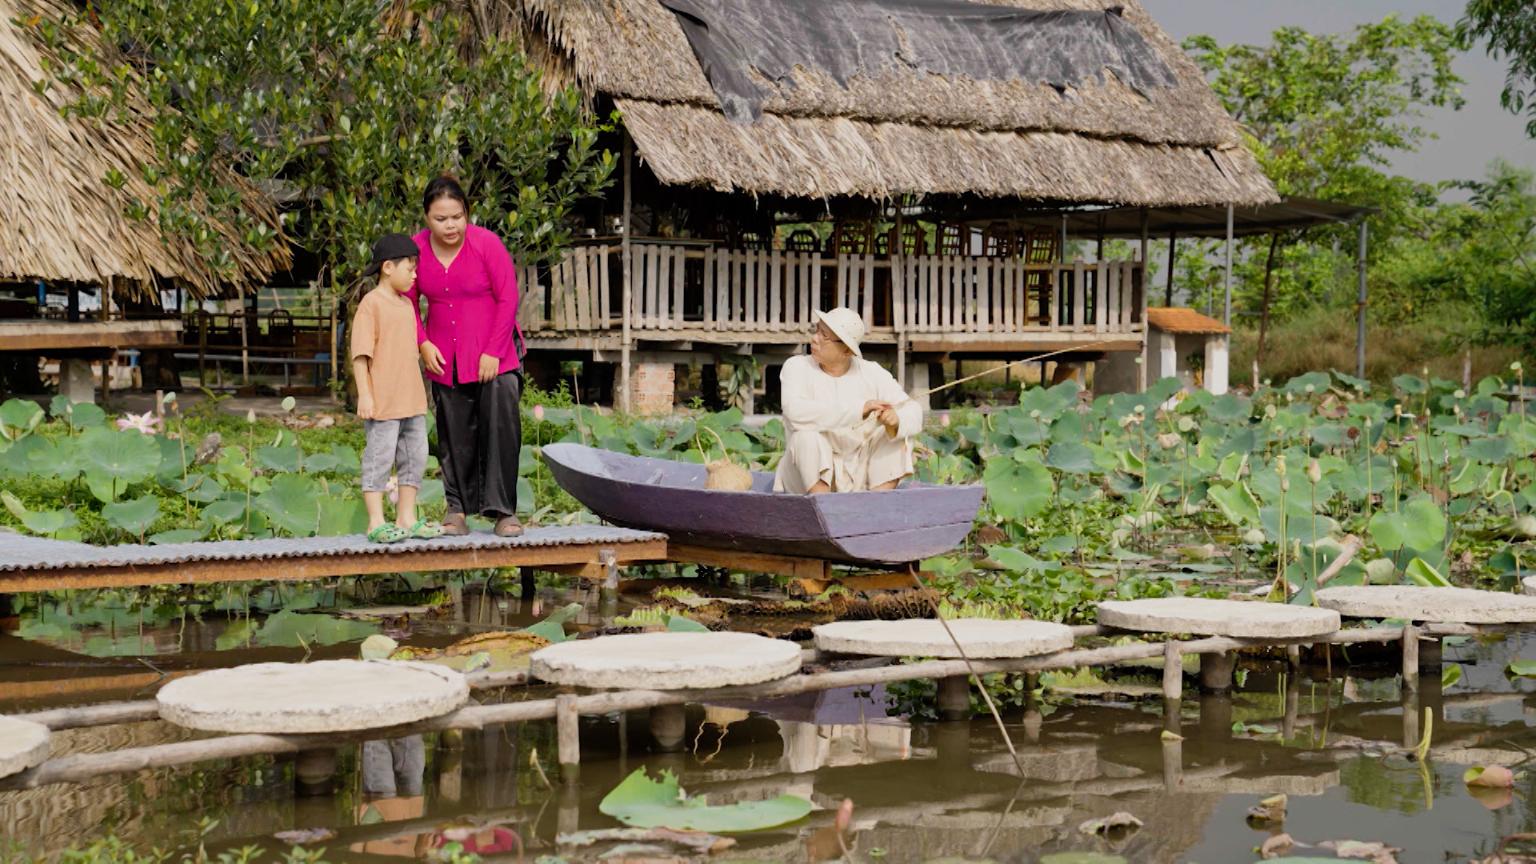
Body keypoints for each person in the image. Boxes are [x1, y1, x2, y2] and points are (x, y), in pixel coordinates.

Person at [410, 176, 526, 537]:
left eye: (457, 217)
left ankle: (504, 511)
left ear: (467, 213)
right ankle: (457, 510)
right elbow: (407, 300)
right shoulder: (415, 250)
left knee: (500, 426)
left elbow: (509, 297)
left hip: (496, 353)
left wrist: (493, 350)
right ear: (427, 218)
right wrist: (422, 342)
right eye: (441, 219)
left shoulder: (486, 244)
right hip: (444, 355)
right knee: (452, 432)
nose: (450, 226)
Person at [351, 233, 443, 543]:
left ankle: (406, 517)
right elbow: (361, 355)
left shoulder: (407, 306)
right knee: (379, 458)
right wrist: (365, 394)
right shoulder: (370, 305)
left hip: (413, 401)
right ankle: (376, 521)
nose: (415, 275)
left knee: (415, 458)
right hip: (384, 403)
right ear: (388, 267)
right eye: (411, 268)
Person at [774, 307, 922, 494]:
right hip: (805, 480)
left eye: (824, 336)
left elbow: (913, 410)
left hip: (857, 474)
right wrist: (859, 409)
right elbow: (795, 411)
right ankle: (825, 507)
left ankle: (876, 503)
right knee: (805, 438)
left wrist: (896, 419)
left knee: (897, 436)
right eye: (817, 330)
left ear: (846, 350)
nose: (814, 338)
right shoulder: (797, 367)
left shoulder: (872, 372)